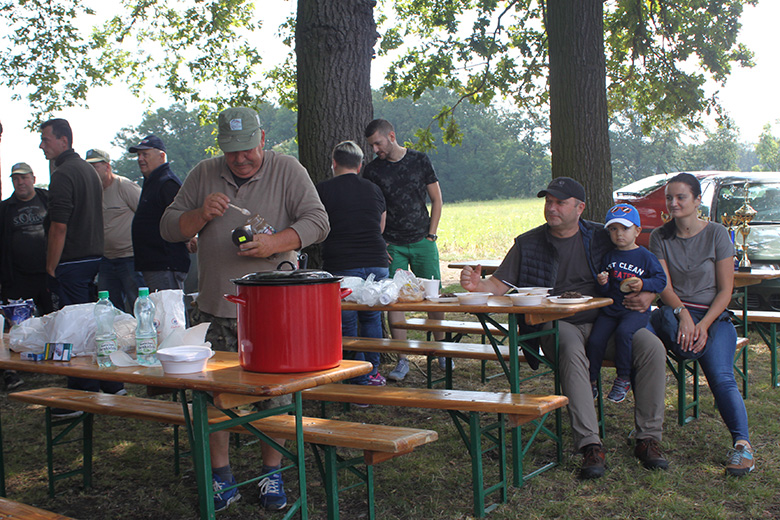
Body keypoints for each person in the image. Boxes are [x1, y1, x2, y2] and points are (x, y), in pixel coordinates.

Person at [160, 106, 329, 512]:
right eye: (232, 151)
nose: (240, 159)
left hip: (273, 312)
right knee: (215, 397)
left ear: (262, 139)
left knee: (276, 397)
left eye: (248, 150)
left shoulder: (287, 170)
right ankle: (222, 476)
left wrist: (276, 242)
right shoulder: (204, 173)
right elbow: (168, 227)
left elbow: (319, 221)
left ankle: (272, 472)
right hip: (215, 308)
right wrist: (200, 215)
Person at [460, 176, 668, 479]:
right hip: (556, 323)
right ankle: (590, 444)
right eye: (548, 201)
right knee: (571, 351)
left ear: (579, 207)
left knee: (651, 347)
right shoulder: (528, 243)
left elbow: (642, 265)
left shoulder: (604, 236)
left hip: (607, 321)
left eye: (560, 202)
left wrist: (648, 293)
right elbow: (496, 285)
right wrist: (476, 285)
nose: (551, 208)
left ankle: (647, 438)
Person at [649, 172, 754, 477]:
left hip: (713, 317)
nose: (674, 203)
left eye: (681, 197)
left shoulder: (717, 233)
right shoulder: (659, 236)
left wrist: (703, 325)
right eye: (669, 198)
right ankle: (646, 434)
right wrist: (683, 316)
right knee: (640, 347)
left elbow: (725, 290)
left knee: (721, 376)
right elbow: (664, 286)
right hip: (673, 314)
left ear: (697, 200)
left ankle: (743, 446)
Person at [40, 118, 123, 403]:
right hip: (93, 258)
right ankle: (111, 382)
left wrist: (50, 267)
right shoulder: (88, 171)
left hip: (72, 260)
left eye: (46, 140)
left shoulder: (63, 174)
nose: (42, 146)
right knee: (95, 325)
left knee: (74, 328)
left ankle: (82, 392)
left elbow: (59, 226)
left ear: (63, 141)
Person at [363, 119, 445, 381]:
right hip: (392, 245)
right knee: (393, 300)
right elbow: (370, 209)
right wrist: (380, 242)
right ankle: (402, 359)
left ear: (391, 136)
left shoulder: (419, 160)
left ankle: (442, 351)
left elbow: (437, 199)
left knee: (432, 296)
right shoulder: (372, 171)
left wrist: (431, 235)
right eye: (371, 145)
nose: (375, 149)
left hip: (423, 240)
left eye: (378, 143)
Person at [317, 140, 388, 386]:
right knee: (372, 318)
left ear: (334, 163)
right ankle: (373, 371)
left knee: (346, 321)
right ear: (359, 166)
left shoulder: (322, 190)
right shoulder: (374, 189)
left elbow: (318, 227)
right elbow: (381, 227)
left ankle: (355, 375)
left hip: (342, 262)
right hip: (377, 260)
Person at [586, 203, 666, 403]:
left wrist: (644, 284)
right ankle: (591, 379)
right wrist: (603, 283)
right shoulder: (609, 257)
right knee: (595, 340)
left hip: (634, 311)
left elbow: (661, 281)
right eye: (613, 229)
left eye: (625, 228)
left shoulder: (646, 256)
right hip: (610, 310)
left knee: (624, 333)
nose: (619, 234)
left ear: (637, 230)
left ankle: (623, 377)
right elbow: (605, 290)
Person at [0, 162, 55, 390]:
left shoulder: (48, 199)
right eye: (15, 179)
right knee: (14, 325)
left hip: (48, 273)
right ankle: (10, 372)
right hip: (17, 276)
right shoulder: (5, 208)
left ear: (33, 178)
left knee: (54, 319)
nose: (20, 182)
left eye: (24, 178)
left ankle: (58, 363)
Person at [129, 135, 190, 292]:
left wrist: (189, 238)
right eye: (138, 155)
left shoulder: (167, 183)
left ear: (161, 156)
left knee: (168, 307)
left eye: (145, 154)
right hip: (153, 265)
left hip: (165, 265)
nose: (140, 159)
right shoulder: (152, 182)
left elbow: (181, 220)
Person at [86, 148, 144, 312]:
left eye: (95, 167)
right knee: (109, 309)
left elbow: (146, 215)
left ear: (107, 167)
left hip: (130, 258)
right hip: (106, 260)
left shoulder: (124, 186)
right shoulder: (92, 193)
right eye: (88, 168)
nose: (91, 172)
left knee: (138, 306)